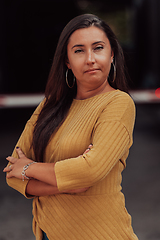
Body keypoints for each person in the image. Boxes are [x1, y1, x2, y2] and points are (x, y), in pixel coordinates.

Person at [3, 14, 138, 240]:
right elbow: (12, 174)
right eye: (78, 50)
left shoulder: (118, 103)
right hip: (49, 232)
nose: (90, 59)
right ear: (67, 61)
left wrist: (30, 168)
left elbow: (89, 170)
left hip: (100, 234)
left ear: (112, 54)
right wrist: (69, 182)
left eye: (98, 48)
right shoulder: (49, 106)